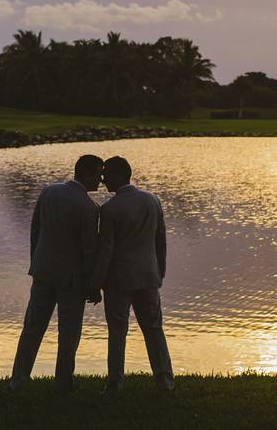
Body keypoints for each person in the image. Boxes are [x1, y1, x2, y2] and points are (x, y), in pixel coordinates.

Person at [9, 154, 104, 393]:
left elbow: (35, 230)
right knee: (69, 332)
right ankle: (63, 382)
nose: (101, 181)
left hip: (43, 271)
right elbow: (89, 249)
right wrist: (93, 283)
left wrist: (36, 261)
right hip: (71, 278)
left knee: (32, 326)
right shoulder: (88, 207)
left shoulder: (48, 192)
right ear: (87, 174)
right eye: (99, 175)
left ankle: (18, 379)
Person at [89, 156, 174, 393]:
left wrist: (96, 283)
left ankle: (115, 382)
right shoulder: (152, 200)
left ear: (119, 176)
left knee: (117, 332)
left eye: (107, 175)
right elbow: (161, 240)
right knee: (154, 329)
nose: (103, 180)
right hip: (148, 276)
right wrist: (159, 271)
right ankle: (164, 379)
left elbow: (106, 251)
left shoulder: (109, 209)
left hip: (118, 280)